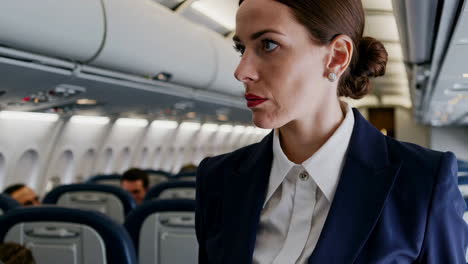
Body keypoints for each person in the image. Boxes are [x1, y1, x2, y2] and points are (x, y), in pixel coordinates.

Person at [195, 0, 468, 263]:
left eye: (268, 45)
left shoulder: (422, 182)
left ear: (337, 57)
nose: (241, 71)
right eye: (241, 49)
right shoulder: (218, 179)